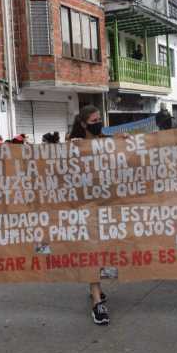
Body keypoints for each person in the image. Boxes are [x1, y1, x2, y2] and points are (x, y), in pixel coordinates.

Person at [69, 105, 110, 325]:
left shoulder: (108, 141)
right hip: (84, 208)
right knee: (91, 250)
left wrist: (126, 144)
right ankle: (96, 301)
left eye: (99, 119)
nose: (98, 122)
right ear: (84, 124)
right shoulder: (73, 145)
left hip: (106, 206)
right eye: (94, 120)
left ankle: (94, 287)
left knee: (102, 251)